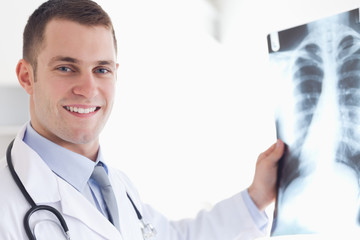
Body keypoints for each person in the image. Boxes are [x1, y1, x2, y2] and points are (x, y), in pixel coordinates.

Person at [0, 0, 284, 239]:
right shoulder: (6, 205)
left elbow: (175, 237)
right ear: (27, 76)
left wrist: (258, 196)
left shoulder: (117, 186)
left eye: (101, 69)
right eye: (66, 67)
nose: (88, 90)